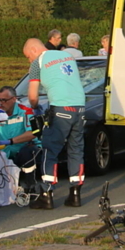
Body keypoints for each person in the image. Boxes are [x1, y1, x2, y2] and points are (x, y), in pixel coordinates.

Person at [22, 38, 86, 209]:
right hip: (80, 107)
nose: (29, 60)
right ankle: (75, 194)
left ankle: (46, 194)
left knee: (50, 150)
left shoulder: (38, 62)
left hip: (61, 108)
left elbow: (33, 96)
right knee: (76, 149)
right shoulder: (67, 56)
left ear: (34, 50)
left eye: (28, 56)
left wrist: (35, 108)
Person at [0, 85, 41, 194]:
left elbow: (32, 133)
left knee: (26, 153)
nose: (1, 103)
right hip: (5, 151)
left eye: (4, 100)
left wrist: (10, 141)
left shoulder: (25, 111)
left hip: (24, 149)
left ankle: (30, 186)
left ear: (14, 99)